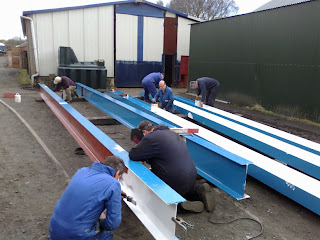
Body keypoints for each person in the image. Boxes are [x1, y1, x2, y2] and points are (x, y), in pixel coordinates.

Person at [129, 120, 215, 213]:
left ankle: (179, 205)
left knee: (155, 188)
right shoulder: (172, 134)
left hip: (174, 179)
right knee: (182, 185)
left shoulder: (150, 138)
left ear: (144, 132)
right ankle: (198, 190)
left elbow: (133, 155)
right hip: (191, 175)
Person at [48, 156, 126, 240]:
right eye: (119, 177)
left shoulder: (82, 171)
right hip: (75, 235)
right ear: (117, 173)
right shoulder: (113, 184)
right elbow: (112, 225)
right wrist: (103, 216)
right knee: (107, 234)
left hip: (53, 229)